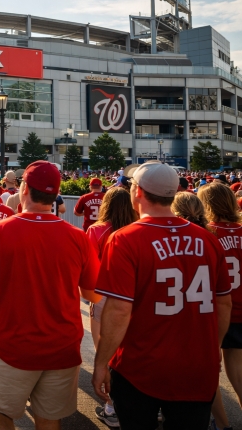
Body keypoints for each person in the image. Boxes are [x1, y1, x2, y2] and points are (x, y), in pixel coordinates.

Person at [93, 162, 232, 430]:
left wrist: (101, 363)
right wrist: (213, 346)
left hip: (139, 366)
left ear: (138, 192)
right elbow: (223, 302)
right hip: (195, 364)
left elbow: (118, 310)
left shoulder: (125, 239)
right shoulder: (208, 239)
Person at [0, 160, 101, 429]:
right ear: (55, 195)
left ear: (24, 188)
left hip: (11, 345)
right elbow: (92, 294)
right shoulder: (77, 237)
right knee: (49, 419)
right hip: (62, 346)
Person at [84, 187, 137, 427]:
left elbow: (88, 268)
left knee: (104, 352)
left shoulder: (96, 230)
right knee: (133, 350)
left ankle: (112, 407)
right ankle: (142, 404)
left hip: (104, 295)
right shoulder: (137, 229)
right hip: (135, 294)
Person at [197, 183, 242, 430]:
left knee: (209, 371)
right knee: (237, 369)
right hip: (240, 310)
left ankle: (223, 425)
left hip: (216, 311)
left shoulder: (207, 234)